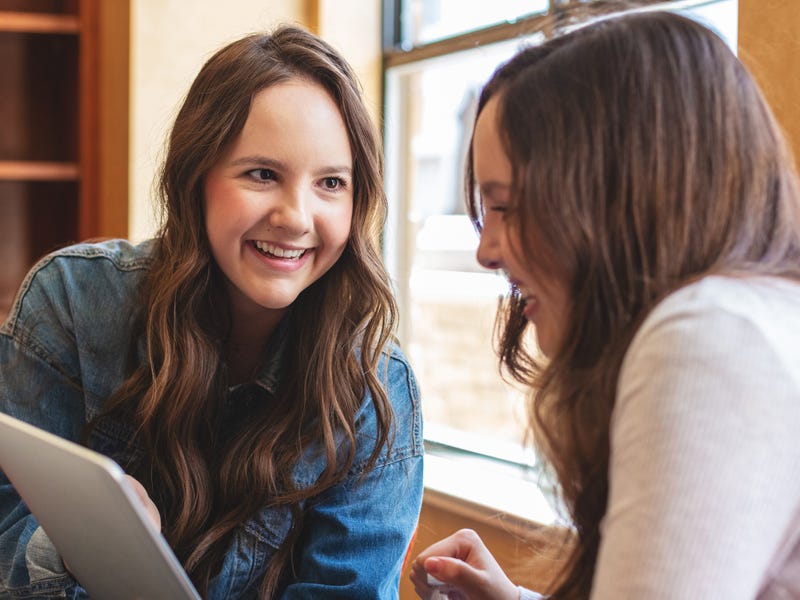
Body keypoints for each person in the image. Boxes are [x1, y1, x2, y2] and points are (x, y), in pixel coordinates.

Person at [0, 25, 423, 599]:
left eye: (331, 183)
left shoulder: (376, 388)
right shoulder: (72, 302)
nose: (297, 217)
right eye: (262, 174)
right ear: (195, 178)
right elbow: (6, 533)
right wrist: (75, 545)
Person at [411, 8, 800, 600]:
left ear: (616, 196)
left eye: (508, 207)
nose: (487, 251)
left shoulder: (712, 338)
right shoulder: (756, 318)